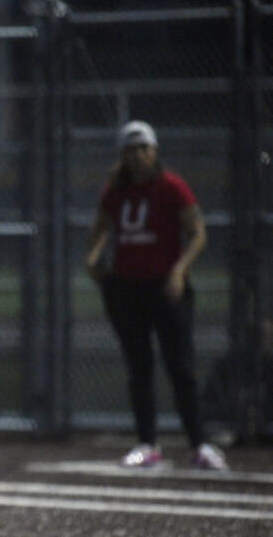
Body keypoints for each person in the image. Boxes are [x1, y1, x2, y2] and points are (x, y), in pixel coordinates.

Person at [84, 120, 227, 471]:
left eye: (143, 149)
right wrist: (93, 259)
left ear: (155, 151)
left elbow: (197, 233)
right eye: (131, 150)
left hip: (164, 287)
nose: (138, 156)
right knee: (139, 368)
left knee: (181, 367)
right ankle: (147, 443)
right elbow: (101, 231)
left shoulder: (172, 187)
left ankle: (199, 444)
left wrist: (179, 270)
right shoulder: (115, 191)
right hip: (127, 286)